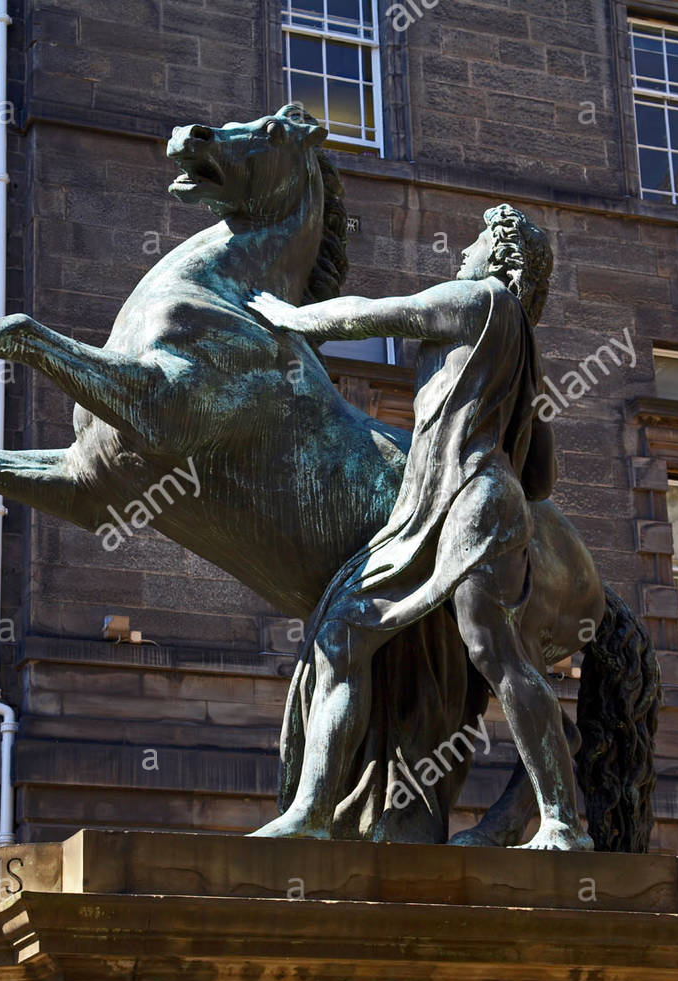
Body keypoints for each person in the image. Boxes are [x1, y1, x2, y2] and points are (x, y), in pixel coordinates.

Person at [248, 204, 592, 850]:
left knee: (495, 651)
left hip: (467, 501)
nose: (462, 254)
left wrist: (289, 316)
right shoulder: (520, 351)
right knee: (351, 634)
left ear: (502, 261)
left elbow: (375, 314)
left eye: (476, 243)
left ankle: (563, 822)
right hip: (469, 502)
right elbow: (541, 475)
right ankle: (313, 814)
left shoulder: (479, 301)